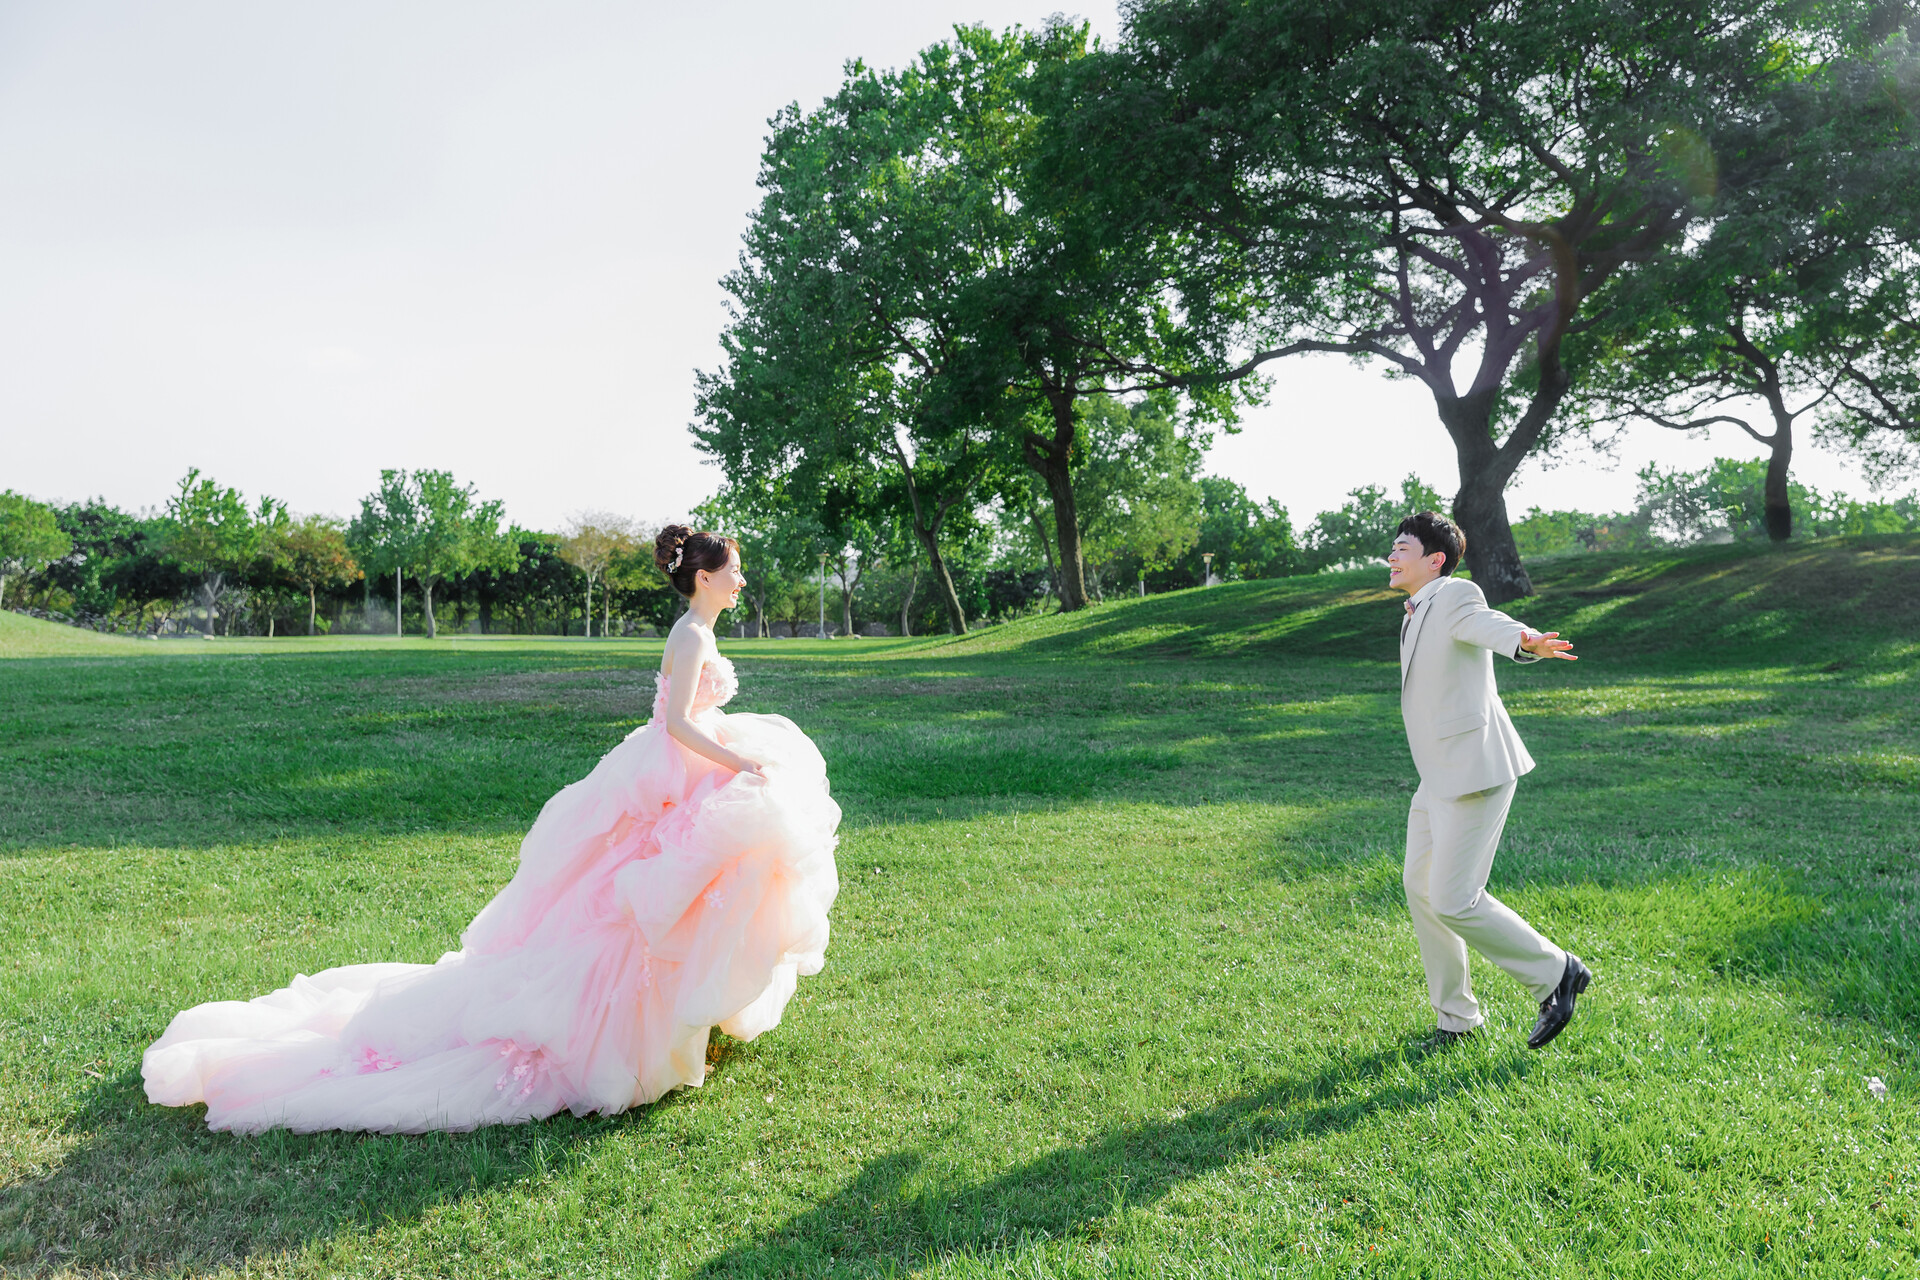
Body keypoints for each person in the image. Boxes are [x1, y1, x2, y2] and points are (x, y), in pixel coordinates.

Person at [143, 526, 840, 1133]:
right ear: (705, 578)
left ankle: (689, 1012)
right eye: (734, 571)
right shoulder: (689, 635)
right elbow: (680, 723)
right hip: (673, 766)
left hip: (679, 769)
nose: (742, 580)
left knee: (702, 882)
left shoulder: (702, 631)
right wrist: (738, 761)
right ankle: (630, 1029)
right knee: (641, 905)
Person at [1387, 511, 1590, 1050]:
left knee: (1454, 898)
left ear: (1435, 560)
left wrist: (1527, 641)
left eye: (1402, 547)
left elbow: (1490, 624)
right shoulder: (1415, 611)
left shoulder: (1454, 595)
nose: (1392, 556)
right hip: (1436, 776)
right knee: (1420, 888)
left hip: (1473, 771)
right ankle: (1456, 1019)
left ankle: (1557, 973)